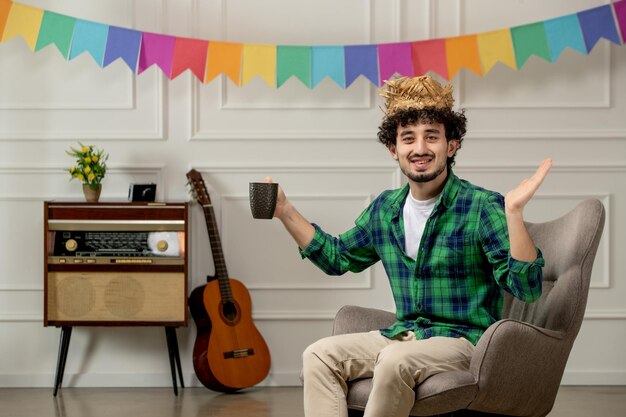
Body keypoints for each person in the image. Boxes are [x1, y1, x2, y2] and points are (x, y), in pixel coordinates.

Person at [265, 75, 552, 417]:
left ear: (452, 145)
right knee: (318, 355)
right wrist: (284, 210)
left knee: (394, 360)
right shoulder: (385, 210)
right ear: (393, 149)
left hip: (463, 340)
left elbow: (527, 287)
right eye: (408, 138)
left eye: (432, 136)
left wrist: (514, 213)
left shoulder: (481, 206)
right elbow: (336, 258)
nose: (419, 148)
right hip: (405, 335)